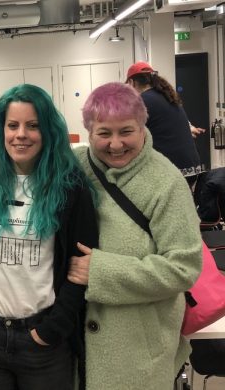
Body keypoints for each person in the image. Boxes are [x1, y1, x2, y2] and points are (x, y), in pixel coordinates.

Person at [0, 83, 99, 390]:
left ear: (48, 130)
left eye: (33, 125)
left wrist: (53, 328)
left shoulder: (71, 186)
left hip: (44, 343)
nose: (21, 134)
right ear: (1, 129)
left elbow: (81, 265)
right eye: (12, 125)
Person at [70, 82, 202, 390]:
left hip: (139, 355)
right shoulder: (76, 168)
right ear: (90, 132)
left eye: (126, 131)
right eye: (104, 133)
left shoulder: (166, 182)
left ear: (142, 127)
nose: (116, 144)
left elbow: (184, 268)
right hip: (75, 350)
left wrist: (101, 272)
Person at [126, 61, 203, 185]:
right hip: (192, 167)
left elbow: (132, 136)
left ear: (131, 82)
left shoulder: (142, 101)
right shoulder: (167, 96)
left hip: (173, 169)